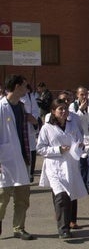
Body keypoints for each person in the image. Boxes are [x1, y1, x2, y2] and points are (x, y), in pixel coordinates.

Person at [36, 99, 87, 238]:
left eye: (65, 109)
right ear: (53, 111)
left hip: (70, 165)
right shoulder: (47, 128)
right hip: (54, 166)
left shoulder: (72, 125)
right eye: (60, 109)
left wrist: (80, 145)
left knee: (69, 196)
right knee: (61, 196)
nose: (64, 112)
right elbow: (40, 148)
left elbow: (78, 139)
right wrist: (58, 149)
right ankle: (63, 230)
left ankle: (66, 222)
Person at [0, 75, 34, 240]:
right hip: (4, 161)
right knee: (2, 198)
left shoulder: (21, 107)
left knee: (22, 198)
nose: (27, 90)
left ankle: (19, 228)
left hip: (22, 158)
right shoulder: (1, 107)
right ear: (17, 86)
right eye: (25, 86)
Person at [70, 86, 89, 203]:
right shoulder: (73, 106)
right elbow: (72, 119)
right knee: (82, 164)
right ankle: (83, 184)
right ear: (77, 95)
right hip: (80, 138)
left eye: (86, 94)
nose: (84, 97)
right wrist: (80, 109)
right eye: (82, 94)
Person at [21, 84, 40, 182]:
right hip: (18, 129)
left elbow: (36, 110)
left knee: (31, 151)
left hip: (29, 128)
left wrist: (34, 120)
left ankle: (30, 174)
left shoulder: (29, 96)